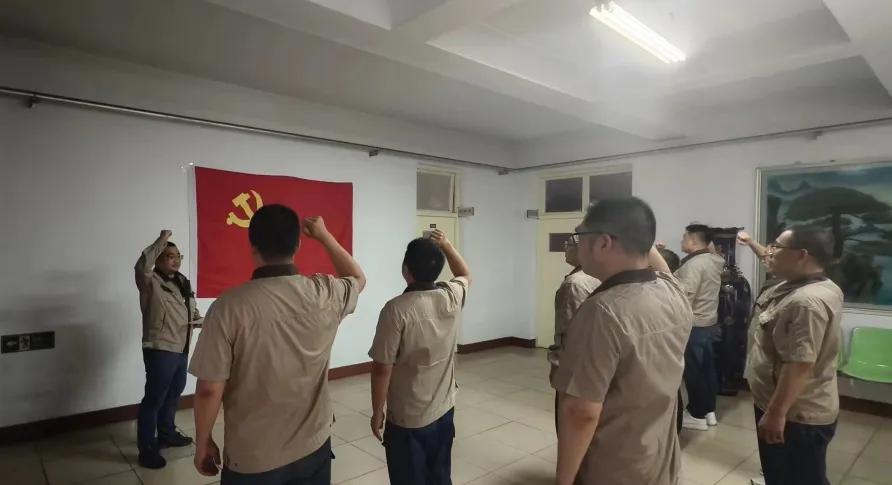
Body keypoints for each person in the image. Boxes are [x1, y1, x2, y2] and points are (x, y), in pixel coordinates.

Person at [188, 205, 366, 485]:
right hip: (314, 444)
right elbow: (358, 279)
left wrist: (202, 442)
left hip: (254, 457)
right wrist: (325, 236)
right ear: (297, 245)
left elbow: (209, 389)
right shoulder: (325, 292)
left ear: (252, 246)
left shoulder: (228, 307)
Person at [553, 197, 692, 485]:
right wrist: (637, 231)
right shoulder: (671, 290)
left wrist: (563, 481)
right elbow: (657, 265)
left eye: (580, 236)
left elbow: (582, 412)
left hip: (615, 465)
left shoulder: (603, 311)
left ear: (604, 242)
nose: (577, 245)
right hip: (658, 457)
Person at [367, 229, 471, 485]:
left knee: (409, 477)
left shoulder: (396, 310)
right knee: (439, 474)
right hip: (444, 409)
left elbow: (382, 368)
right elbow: (465, 274)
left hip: (407, 418)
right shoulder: (451, 296)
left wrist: (377, 411)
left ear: (406, 269)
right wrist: (446, 245)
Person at [746, 226, 842, 485]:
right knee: (783, 474)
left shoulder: (806, 302)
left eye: (777, 247)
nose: (770, 251)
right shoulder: (801, 284)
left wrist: (776, 413)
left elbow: (800, 364)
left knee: (796, 477)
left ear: (802, 255)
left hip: (794, 414)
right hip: (783, 404)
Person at [134, 230, 202, 469]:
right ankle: (146, 449)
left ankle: (167, 434)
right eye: (170, 256)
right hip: (161, 347)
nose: (176, 260)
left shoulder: (182, 281)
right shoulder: (150, 280)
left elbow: (189, 309)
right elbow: (142, 265)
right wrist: (161, 240)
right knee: (154, 398)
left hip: (181, 347)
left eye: (178, 256)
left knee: (174, 393)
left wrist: (199, 319)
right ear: (159, 258)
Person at [676, 223, 725, 430]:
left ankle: (696, 414)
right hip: (709, 323)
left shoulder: (694, 265)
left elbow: (686, 296)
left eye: (684, 237)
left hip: (694, 325)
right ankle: (708, 410)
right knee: (707, 369)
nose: (681, 241)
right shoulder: (715, 260)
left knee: (694, 371)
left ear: (692, 240)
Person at [548, 235, 601, 429]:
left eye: (568, 244)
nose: (565, 248)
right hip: (597, 367)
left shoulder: (575, 284)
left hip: (575, 373)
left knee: (569, 426)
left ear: (582, 248)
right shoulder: (601, 275)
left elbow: (569, 335)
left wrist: (558, 372)